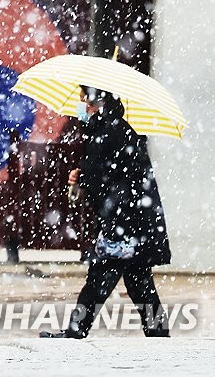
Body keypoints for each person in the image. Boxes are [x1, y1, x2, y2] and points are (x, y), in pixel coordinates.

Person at [40, 86, 171, 339]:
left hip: (125, 224)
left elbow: (110, 181)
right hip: (132, 223)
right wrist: (84, 177)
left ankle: (75, 332)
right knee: (138, 284)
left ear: (95, 102)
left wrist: (85, 179)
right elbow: (107, 177)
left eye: (82, 100)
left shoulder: (111, 132)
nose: (79, 106)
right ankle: (159, 334)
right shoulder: (109, 129)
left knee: (101, 281)